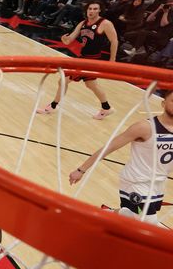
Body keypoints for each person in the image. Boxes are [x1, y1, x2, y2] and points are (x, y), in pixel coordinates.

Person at [69, 89, 173, 225]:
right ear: (163, 103)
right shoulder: (144, 127)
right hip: (136, 182)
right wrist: (81, 170)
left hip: (158, 183)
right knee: (148, 221)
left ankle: (108, 213)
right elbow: (110, 146)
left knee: (135, 215)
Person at [37, 1, 117, 120]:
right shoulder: (83, 23)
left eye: (95, 9)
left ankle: (52, 106)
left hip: (92, 60)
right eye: (90, 8)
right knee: (91, 85)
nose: (92, 11)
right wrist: (64, 39)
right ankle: (106, 108)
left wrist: (112, 60)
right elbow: (69, 40)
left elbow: (114, 41)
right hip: (83, 58)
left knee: (63, 80)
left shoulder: (105, 23)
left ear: (100, 10)